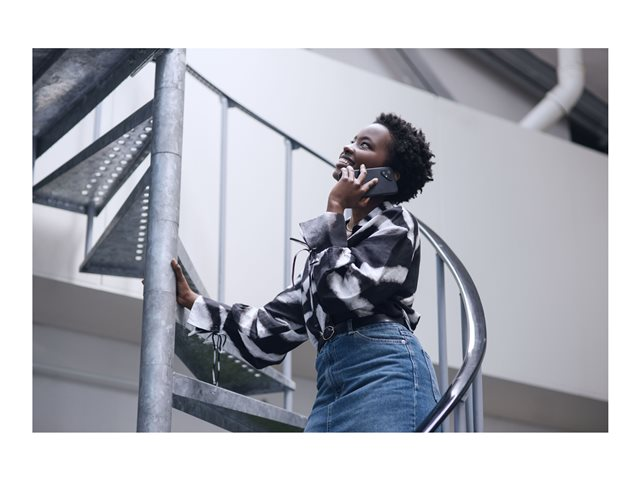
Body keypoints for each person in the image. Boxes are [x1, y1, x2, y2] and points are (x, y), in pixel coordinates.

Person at [171, 112, 440, 432]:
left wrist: (335, 206)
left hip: (386, 372)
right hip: (331, 386)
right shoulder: (329, 251)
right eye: (352, 141)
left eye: (364, 145)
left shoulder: (396, 223)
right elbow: (267, 335)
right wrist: (191, 301)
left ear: (389, 175)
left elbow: (344, 293)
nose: (348, 147)